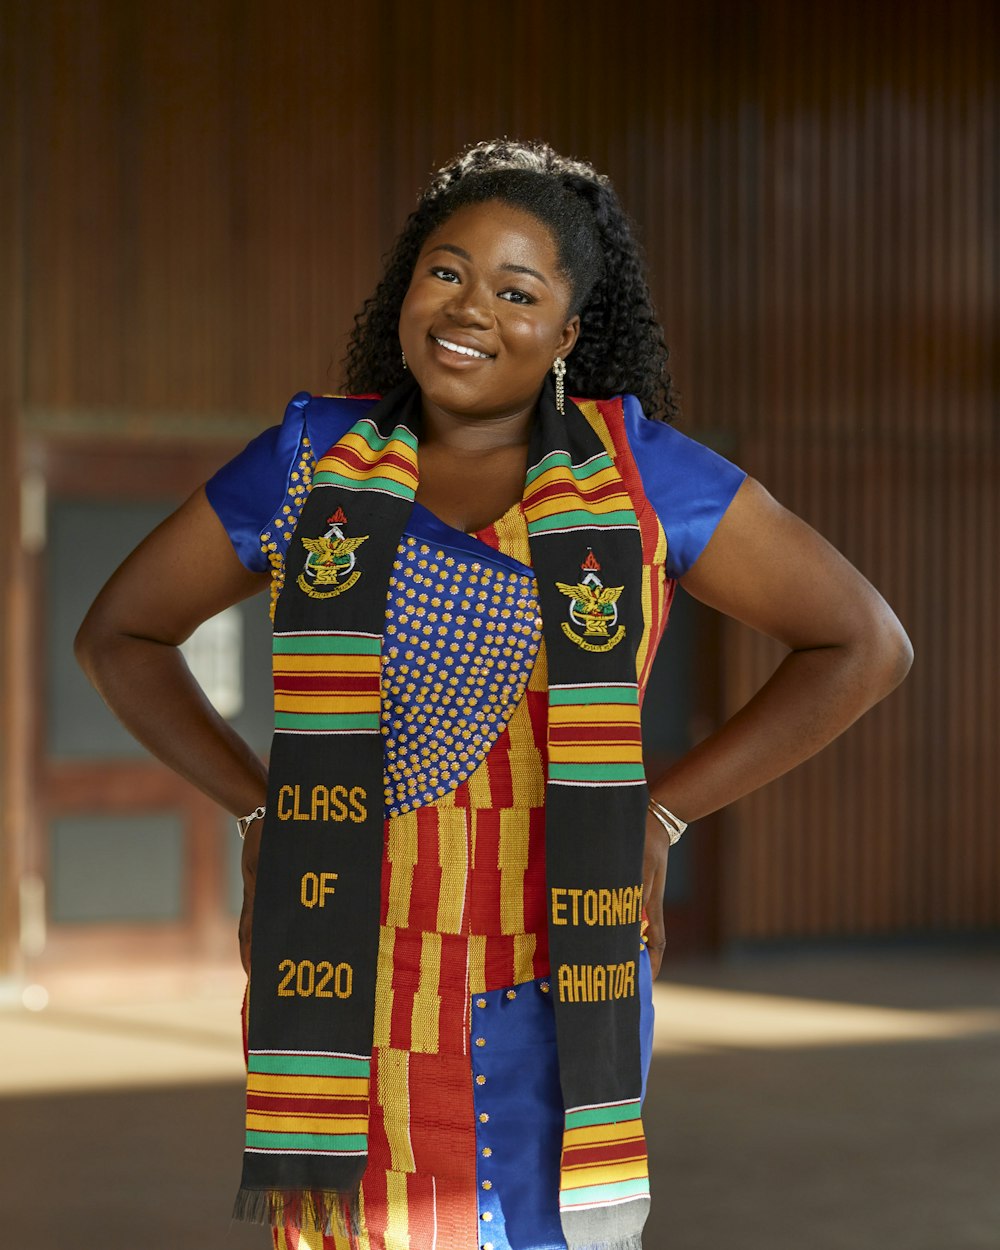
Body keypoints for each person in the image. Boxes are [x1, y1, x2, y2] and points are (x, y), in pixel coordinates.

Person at [75, 139, 912, 1250]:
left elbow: (862, 641)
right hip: (344, 977)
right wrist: (256, 804)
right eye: (447, 271)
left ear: (567, 332)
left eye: (518, 290)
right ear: (406, 286)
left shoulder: (639, 477)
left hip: (547, 989)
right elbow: (120, 633)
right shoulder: (310, 466)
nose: (470, 308)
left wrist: (662, 810)